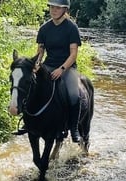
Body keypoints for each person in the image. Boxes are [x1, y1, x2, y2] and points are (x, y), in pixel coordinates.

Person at [33, 0, 82, 143]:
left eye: (57, 8)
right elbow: (40, 51)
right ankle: (30, 121)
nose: (53, 10)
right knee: (33, 87)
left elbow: (73, 54)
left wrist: (61, 69)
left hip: (67, 67)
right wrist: (37, 64)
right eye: (52, 7)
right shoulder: (44, 28)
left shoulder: (71, 28)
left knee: (74, 95)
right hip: (48, 65)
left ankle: (74, 129)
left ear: (64, 9)